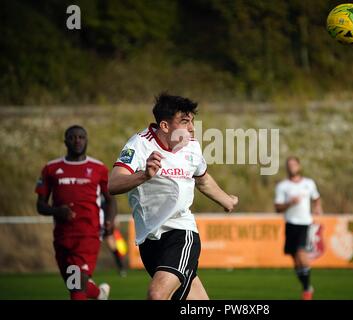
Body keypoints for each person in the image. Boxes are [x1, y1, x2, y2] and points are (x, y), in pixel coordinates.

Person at [108, 93, 238, 300]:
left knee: (157, 295)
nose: (192, 128)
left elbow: (202, 179)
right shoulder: (139, 145)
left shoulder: (192, 146)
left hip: (181, 233)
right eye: (185, 122)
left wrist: (227, 200)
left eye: (192, 122)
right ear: (165, 126)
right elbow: (113, 184)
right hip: (149, 240)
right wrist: (144, 175)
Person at [36, 125, 117, 300]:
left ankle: (95, 293)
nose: (77, 140)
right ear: (65, 141)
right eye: (72, 137)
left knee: (76, 287)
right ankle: (99, 294)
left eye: (81, 137)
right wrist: (57, 211)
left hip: (88, 234)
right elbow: (40, 206)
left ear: (86, 140)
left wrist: (110, 221)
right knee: (75, 283)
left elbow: (111, 200)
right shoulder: (51, 169)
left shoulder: (99, 168)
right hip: (63, 237)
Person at [274, 156, 323, 300]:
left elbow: (316, 197)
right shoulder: (283, 186)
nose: (292, 167)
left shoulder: (309, 183)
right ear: (287, 168)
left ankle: (307, 290)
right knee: (295, 260)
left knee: (302, 253)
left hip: (305, 223)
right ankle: (306, 285)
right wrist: (289, 203)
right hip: (290, 224)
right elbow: (277, 208)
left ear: (299, 166)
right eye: (289, 164)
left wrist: (318, 207)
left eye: (294, 164)